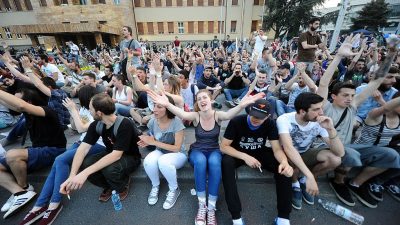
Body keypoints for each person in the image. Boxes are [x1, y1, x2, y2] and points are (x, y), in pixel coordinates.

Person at [148, 89, 265, 225]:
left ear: (211, 100)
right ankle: (202, 205)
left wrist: (241, 105)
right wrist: (167, 105)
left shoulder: (217, 115)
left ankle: (211, 207)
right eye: (199, 99)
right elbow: (182, 113)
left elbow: (228, 115)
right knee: (201, 161)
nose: (202, 100)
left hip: (214, 149)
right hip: (197, 150)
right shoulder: (196, 116)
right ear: (197, 103)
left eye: (205, 97)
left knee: (215, 162)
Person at [19, 85, 106, 225]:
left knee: (60, 159)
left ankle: (54, 204)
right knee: (57, 163)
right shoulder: (84, 109)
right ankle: (39, 206)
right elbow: (75, 127)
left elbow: (82, 128)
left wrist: (73, 110)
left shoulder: (98, 110)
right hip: (82, 142)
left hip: (98, 144)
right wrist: (74, 112)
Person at [220, 99, 294, 225]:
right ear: (249, 111)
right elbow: (224, 146)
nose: (255, 119)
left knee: (283, 166)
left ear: (268, 116)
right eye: (253, 114)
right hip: (238, 152)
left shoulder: (270, 123)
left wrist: (284, 162)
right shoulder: (237, 121)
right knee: (226, 163)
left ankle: (283, 217)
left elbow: (276, 149)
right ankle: (236, 217)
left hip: (259, 152)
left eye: (260, 117)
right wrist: (245, 157)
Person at [60, 94, 141, 205]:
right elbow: (82, 149)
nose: (89, 111)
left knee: (109, 169)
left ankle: (122, 185)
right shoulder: (96, 124)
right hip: (110, 152)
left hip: (131, 157)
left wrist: (84, 174)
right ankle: (109, 186)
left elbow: (116, 155)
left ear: (99, 113)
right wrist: (72, 175)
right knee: (86, 163)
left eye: (90, 109)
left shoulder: (124, 124)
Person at [0, 86, 66, 219]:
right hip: (36, 151)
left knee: (12, 154)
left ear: (29, 102)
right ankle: (19, 193)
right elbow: (14, 105)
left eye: (17, 100)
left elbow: (20, 105)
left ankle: (23, 187)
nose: (14, 103)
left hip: (54, 150)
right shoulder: (26, 114)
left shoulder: (46, 110)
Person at [277, 92, 344, 210]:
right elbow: (289, 148)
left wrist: (331, 129)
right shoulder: (284, 119)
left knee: (335, 159)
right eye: (316, 109)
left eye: (321, 108)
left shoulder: (318, 122)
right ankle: (295, 184)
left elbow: (340, 153)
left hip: (306, 152)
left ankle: (304, 181)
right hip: (288, 155)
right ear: (302, 111)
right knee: (293, 163)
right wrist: (310, 177)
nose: (321, 113)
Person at [138, 96, 186, 209]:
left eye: (159, 106)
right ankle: (155, 186)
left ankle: (174, 189)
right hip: (161, 151)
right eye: (154, 106)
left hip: (178, 155)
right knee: (148, 161)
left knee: (163, 161)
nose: (154, 109)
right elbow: (153, 138)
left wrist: (154, 143)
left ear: (168, 109)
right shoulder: (152, 121)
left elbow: (177, 148)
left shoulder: (176, 122)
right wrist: (146, 141)